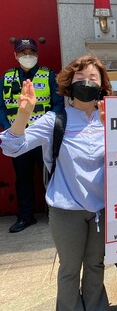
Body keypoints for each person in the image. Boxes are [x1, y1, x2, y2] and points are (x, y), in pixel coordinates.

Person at [0, 55, 112, 311]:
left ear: (102, 87)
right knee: (70, 267)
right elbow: (12, 147)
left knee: (96, 264)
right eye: (80, 79)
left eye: (93, 79)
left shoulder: (110, 120)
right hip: (66, 210)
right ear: (67, 85)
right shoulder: (55, 120)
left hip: (101, 209)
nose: (87, 84)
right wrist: (23, 114)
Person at [0, 38, 64, 233]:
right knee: (23, 177)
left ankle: (56, 214)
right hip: (19, 138)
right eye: (23, 52)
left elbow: (58, 104)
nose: (27, 56)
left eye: (31, 52)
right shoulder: (7, 77)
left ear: (37, 54)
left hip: (43, 138)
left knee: (51, 176)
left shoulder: (48, 75)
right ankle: (26, 216)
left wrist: (47, 127)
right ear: (15, 55)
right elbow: (2, 106)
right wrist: (8, 129)